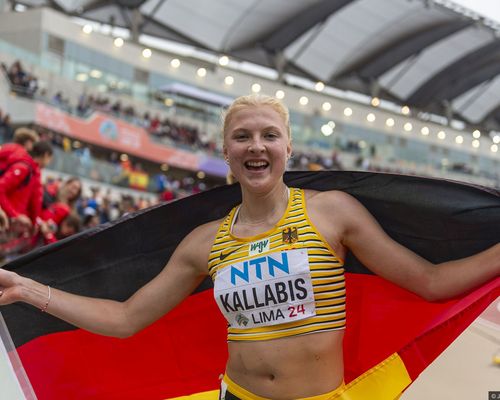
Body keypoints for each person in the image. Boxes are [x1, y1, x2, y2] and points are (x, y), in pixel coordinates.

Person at [0, 95, 499, 399]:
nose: (255, 146)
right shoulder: (204, 242)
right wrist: (28, 289)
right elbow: (126, 318)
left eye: (269, 135)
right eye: (242, 137)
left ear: (288, 148)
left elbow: (430, 283)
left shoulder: (333, 212)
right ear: (226, 153)